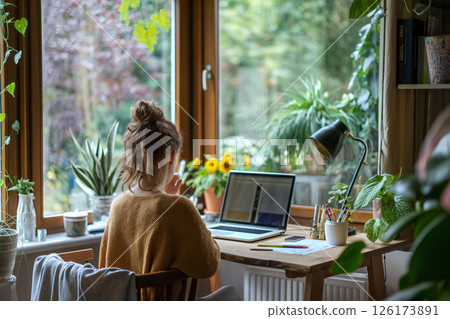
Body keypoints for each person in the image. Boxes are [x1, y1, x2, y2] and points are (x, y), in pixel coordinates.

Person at [99, 100, 220, 300]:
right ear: (172, 157)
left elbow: (105, 267)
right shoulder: (179, 207)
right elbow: (208, 264)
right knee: (231, 293)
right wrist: (174, 200)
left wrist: (168, 196)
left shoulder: (118, 205)